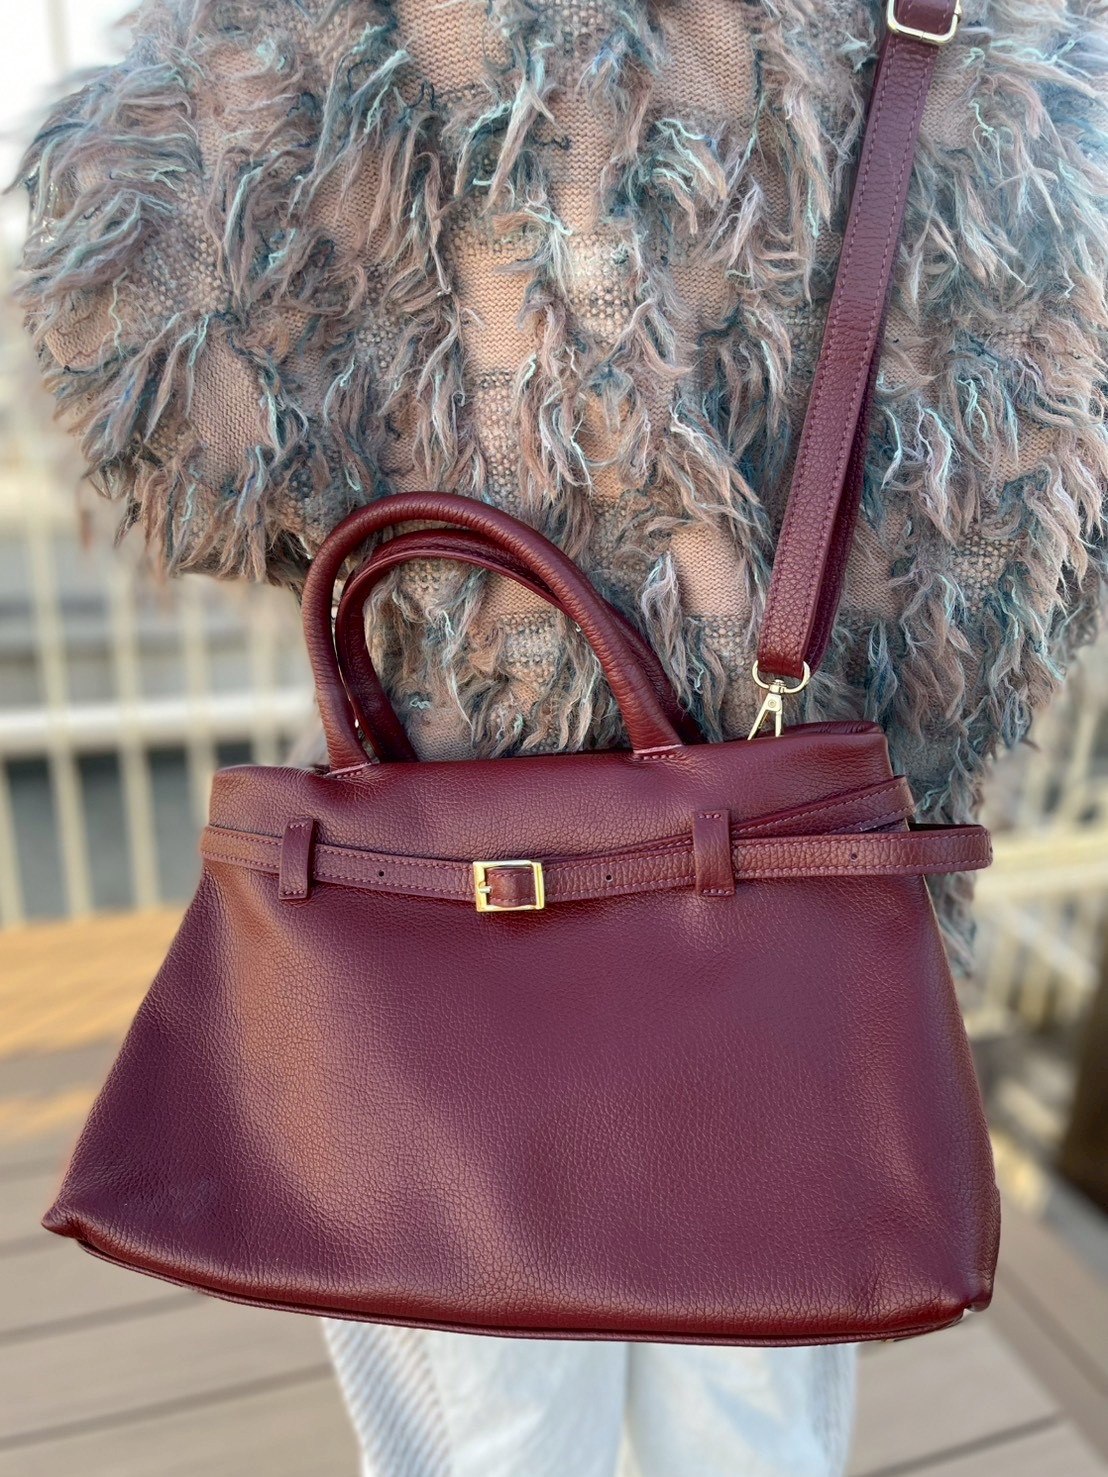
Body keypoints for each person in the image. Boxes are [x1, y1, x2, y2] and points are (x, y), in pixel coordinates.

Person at [16, 0, 1108, 1471]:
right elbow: (1030, 508)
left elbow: (152, 373)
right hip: (786, 879)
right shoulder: (981, 46)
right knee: (758, 1389)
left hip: (449, 848)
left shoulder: (349, 35)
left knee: (491, 1405)